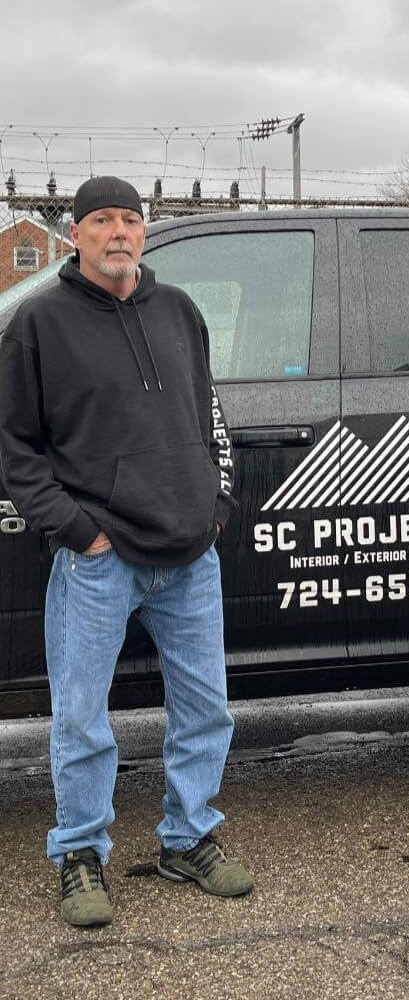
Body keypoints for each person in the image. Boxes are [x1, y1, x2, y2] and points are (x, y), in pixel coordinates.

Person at [0, 176, 253, 926]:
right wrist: (80, 532)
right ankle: (80, 854)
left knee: (206, 708)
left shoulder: (179, 311)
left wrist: (215, 508)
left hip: (189, 554)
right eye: (101, 220)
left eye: (130, 219)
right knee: (82, 716)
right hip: (97, 560)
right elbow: (14, 447)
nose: (118, 232)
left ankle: (189, 836)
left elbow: (211, 417)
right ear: (74, 233)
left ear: (145, 231)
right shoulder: (36, 323)